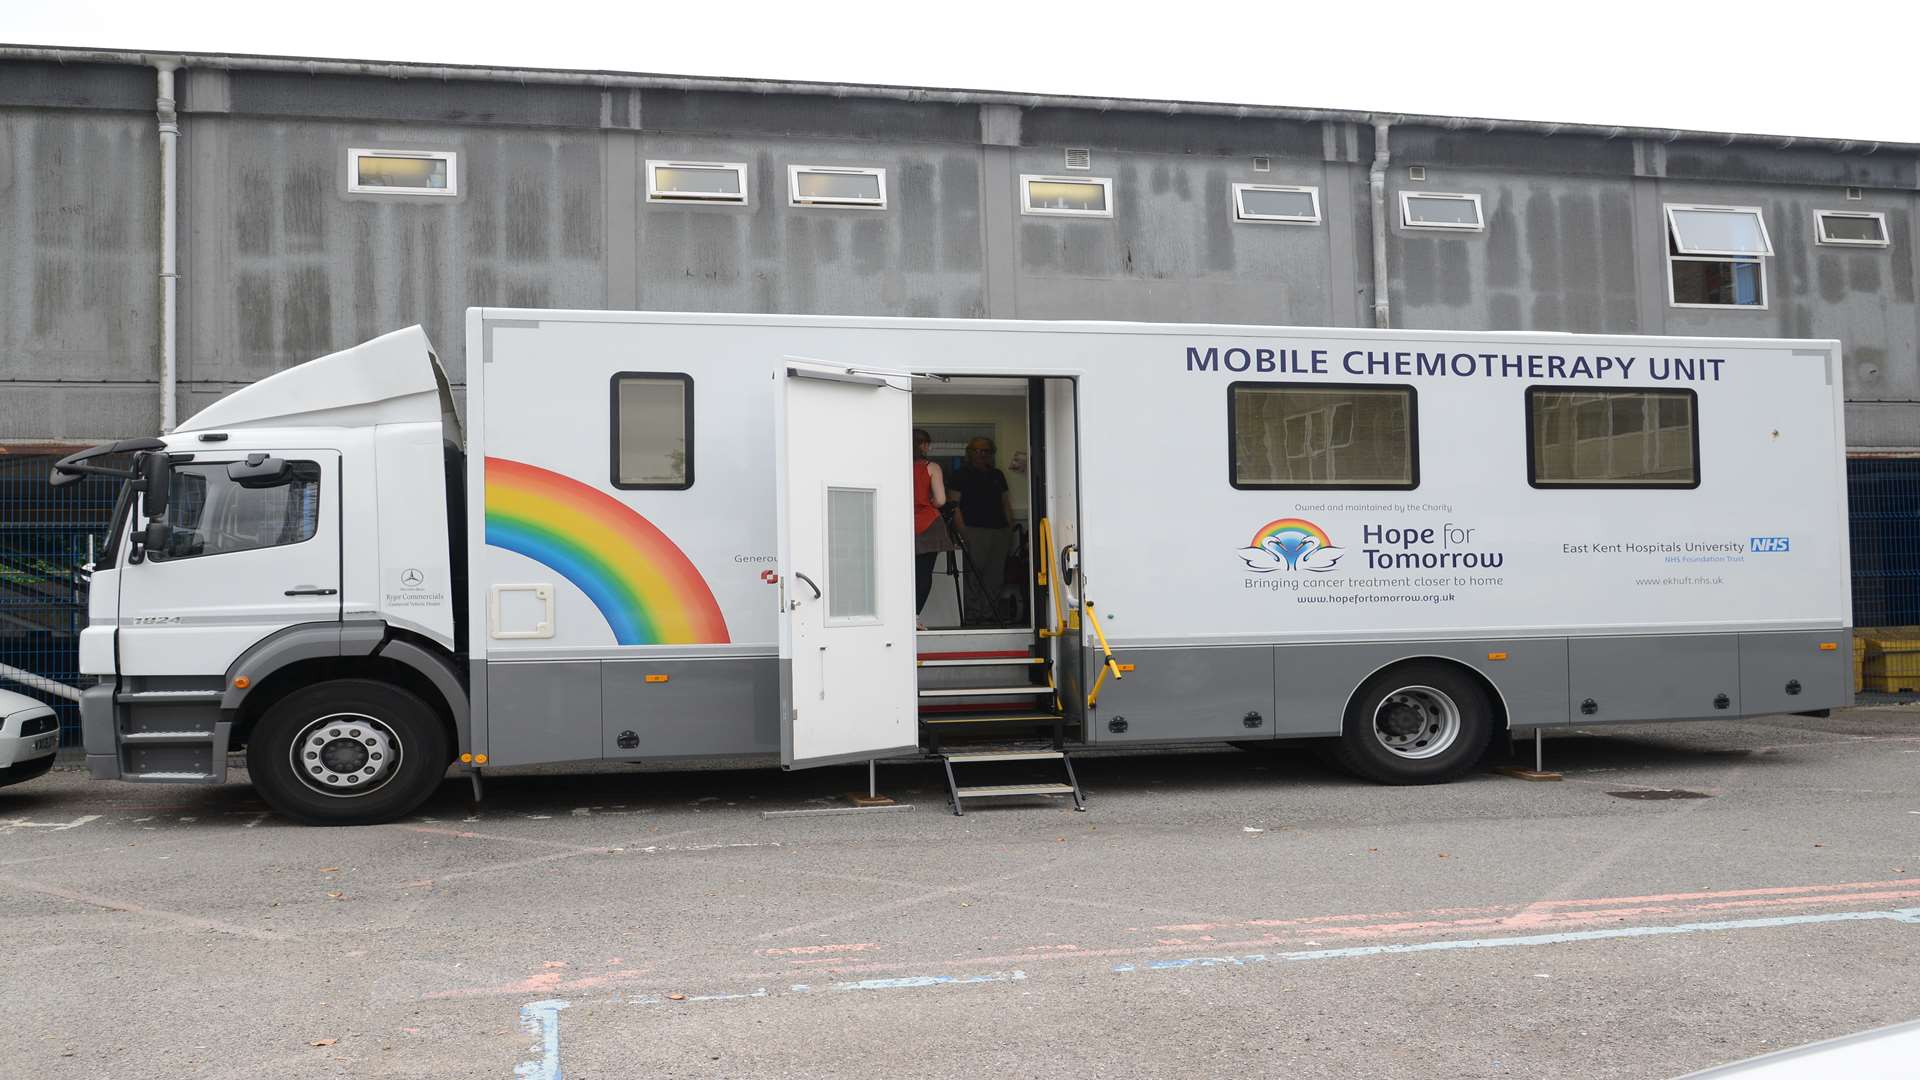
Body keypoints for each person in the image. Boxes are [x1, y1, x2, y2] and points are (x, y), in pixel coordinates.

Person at [950, 436, 1014, 625]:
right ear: (969, 453)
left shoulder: (997, 475)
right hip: (973, 530)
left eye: (986, 451)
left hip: (999, 531)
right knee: (973, 575)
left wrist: (1009, 528)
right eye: (977, 450)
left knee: (995, 575)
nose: (981, 454)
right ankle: (972, 615)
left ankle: (989, 613)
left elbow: (1005, 503)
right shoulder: (960, 474)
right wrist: (963, 532)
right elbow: (954, 505)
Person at [911, 428, 956, 628]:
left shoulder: (893, 465)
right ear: (922, 445)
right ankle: (914, 617)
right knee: (923, 573)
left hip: (900, 525)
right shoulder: (931, 467)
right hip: (928, 525)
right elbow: (941, 500)